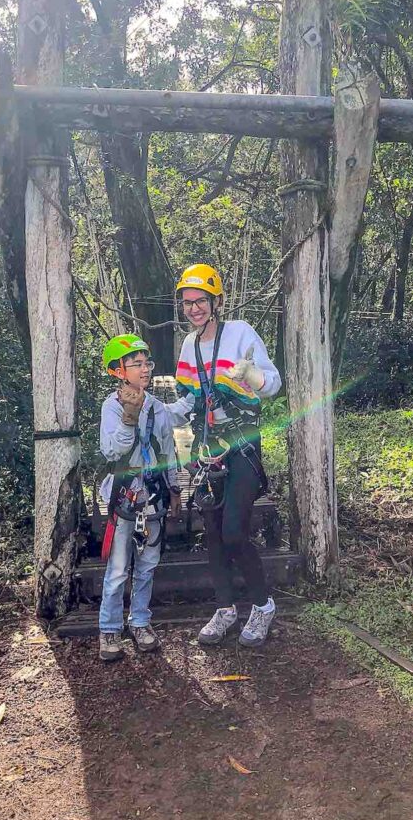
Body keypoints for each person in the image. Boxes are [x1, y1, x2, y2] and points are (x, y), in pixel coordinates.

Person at [174, 263, 282, 648]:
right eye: (187, 303)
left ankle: (263, 605)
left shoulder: (240, 333)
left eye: (200, 301)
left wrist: (252, 376)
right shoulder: (189, 345)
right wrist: (169, 424)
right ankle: (225, 608)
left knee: (235, 530)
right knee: (215, 535)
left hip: (243, 447)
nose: (194, 309)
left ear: (215, 301)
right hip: (209, 449)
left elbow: (273, 384)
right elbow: (188, 400)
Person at [98, 333, 182, 663]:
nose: (145, 369)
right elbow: (111, 450)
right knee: (119, 568)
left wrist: (173, 488)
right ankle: (109, 628)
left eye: (147, 363)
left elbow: (166, 450)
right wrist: (128, 419)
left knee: (147, 564)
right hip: (124, 494)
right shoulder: (112, 406)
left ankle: (141, 621)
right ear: (118, 371)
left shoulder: (158, 408)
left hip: (153, 494)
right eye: (136, 364)